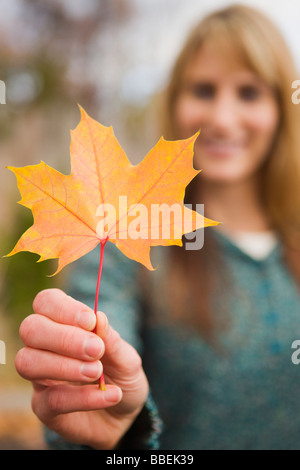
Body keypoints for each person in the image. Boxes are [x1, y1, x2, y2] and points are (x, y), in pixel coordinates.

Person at [14, 4, 300, 449]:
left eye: (249, 93)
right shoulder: (126, 236)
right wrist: (113, 420)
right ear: (175, 102)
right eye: (203, 90)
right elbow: (97, 372)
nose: (223, 119)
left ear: (282, 107)